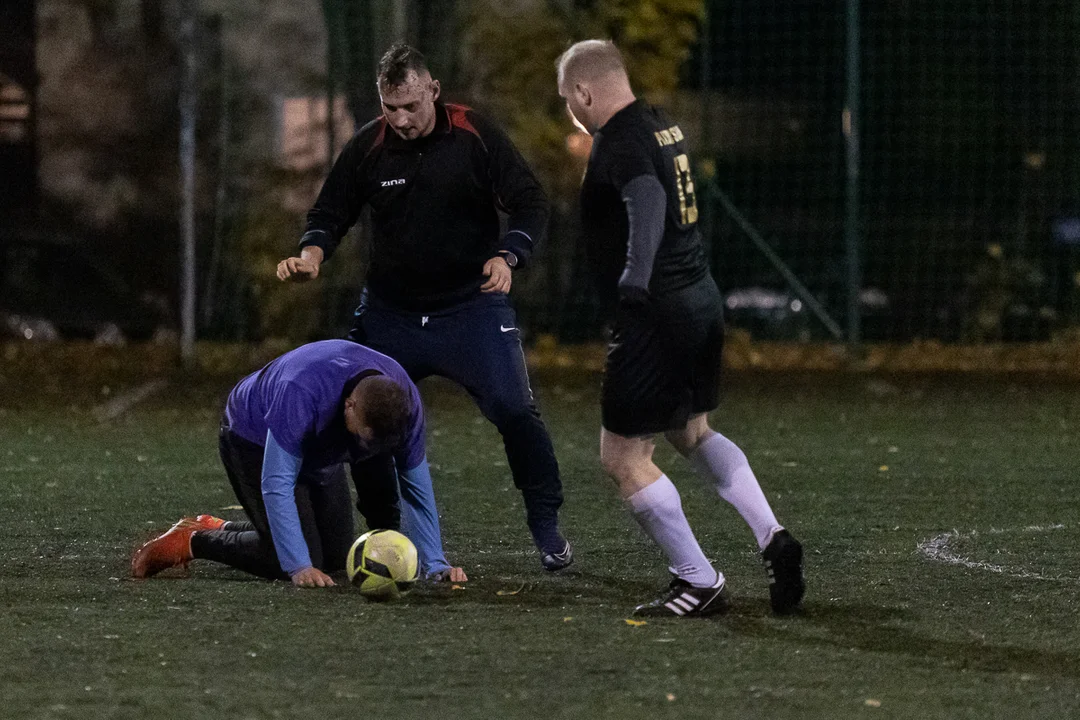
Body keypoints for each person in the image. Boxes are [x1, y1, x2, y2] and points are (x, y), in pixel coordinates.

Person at [276, 44, 572, 571]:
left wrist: (510, 255)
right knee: (363, 416)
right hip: (391, 314)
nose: (402, 119)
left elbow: (531, 202)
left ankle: (545, 523)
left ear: (433, 91)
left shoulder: (474, 135)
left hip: (470, 308)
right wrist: (312, 254)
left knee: (514, 409)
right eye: (391, 107)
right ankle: (384, 530)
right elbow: (329, 211)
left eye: (411, 105)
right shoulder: (369, 146)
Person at [556, 40, 805, 616]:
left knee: (622, 459)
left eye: (568, 100)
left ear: (584, 93)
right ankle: (774, 537)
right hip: (698, 300)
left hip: (655, 317)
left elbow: (645, 198)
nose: (570, 111)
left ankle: (698, 579)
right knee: (691, 433)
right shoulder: (660, 122)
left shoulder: (617, 140)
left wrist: (634, 279)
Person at [131, 339, 466, 587]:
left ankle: (215, 525)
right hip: (254, 439)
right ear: (348, 406)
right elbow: (277, 483)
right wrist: (298, 567)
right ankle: (192, 541)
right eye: (366, 440)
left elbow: (416, 488)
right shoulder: (302, 391)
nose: (370, 450)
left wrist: (436, 564)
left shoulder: (404, 405)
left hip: (320, 447)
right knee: (287, 558)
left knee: (336, 558)